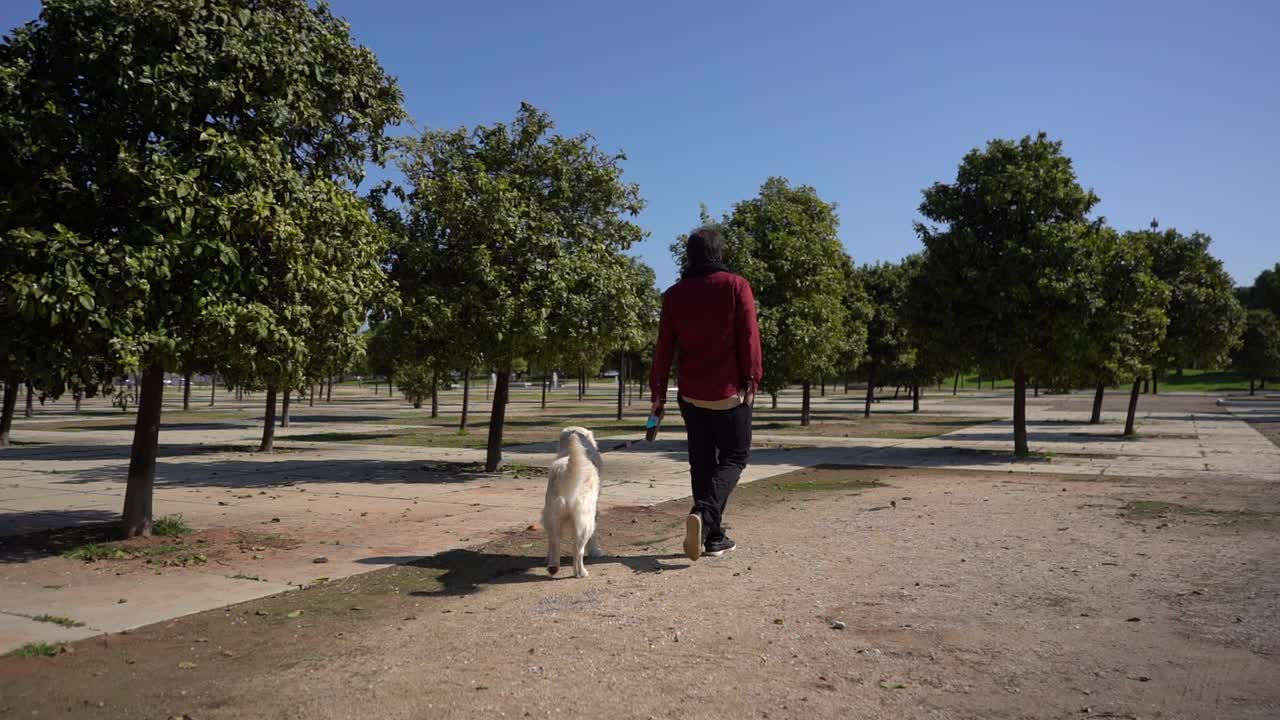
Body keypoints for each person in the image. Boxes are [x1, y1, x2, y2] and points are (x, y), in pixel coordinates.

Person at [649, 227, 763, 561]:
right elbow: (749, 338)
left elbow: (663, 349)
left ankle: (713, 537)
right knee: (734, 457)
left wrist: (658, 393)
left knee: (701, 462)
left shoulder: (673, 295)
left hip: (692, 394)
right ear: (718, 253)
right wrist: (752, 381)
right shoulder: (735, 286)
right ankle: (704, 515)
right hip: (730, 393)